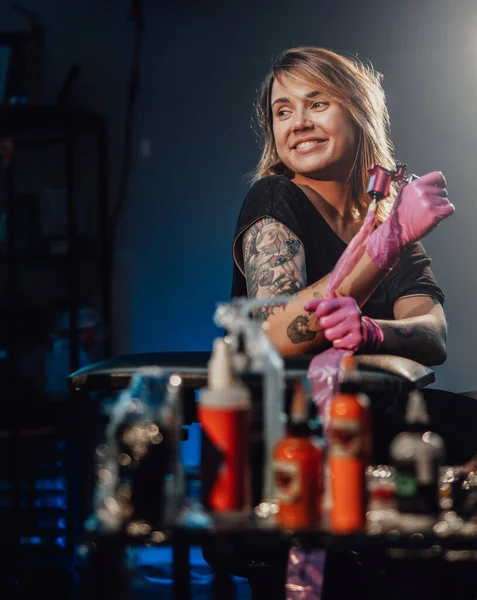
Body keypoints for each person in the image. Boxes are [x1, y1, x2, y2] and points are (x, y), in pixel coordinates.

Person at [221, 46, 456, 600]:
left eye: (317, 103)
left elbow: (434, 335)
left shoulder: (382, 212)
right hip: (295, 441)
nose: (298, 122)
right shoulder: (274, 196)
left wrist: (377, 331)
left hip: (379, 427)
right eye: (282, 111)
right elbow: (276, 332)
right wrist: (388, 243)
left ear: (359, 113)